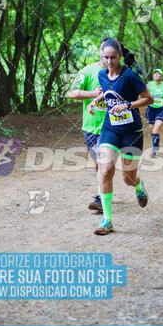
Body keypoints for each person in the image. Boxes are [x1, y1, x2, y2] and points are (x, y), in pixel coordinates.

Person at [88, 38, 153, 235]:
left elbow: (149, 98)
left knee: (128, 178)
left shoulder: (131, 76)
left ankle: (139, 187)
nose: (109, 61)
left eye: (113, 57)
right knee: (106, 169)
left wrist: (128, 105)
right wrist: (95, 100)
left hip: (131, 132)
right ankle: (107, 220)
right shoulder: (101, 74)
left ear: (120, 56)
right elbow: (109, 92)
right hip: (110, 129)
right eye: (105, 57)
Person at [67, 39, 110, 213]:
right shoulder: (87, 71)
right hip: (91, 127)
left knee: (103, 161)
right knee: (98, 163)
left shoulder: (120, 73)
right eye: (104, 51)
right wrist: (93, 94)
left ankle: (100, 198)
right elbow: (72, 92)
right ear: (99, 51)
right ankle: (106, 190)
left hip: (112, 126)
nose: (107, 57)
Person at [146, 68, 163, 157]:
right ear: (153, 76)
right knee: (151, 130)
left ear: (162, 76)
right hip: (151, 109)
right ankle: (156, 142)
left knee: (155, 129)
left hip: (161, 109)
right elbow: (142, 93)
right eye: (155, 74)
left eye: (159, 74)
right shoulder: (149, 84)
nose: (156, 75)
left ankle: (154, 150)